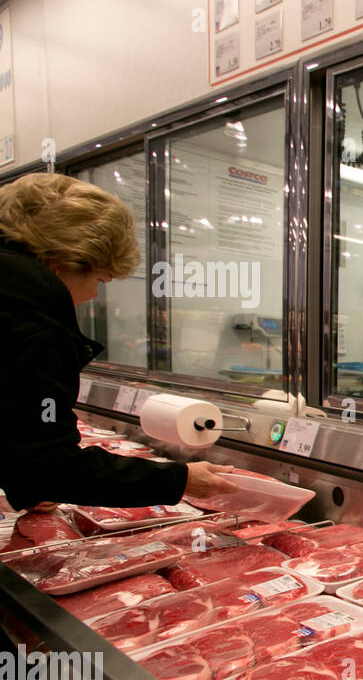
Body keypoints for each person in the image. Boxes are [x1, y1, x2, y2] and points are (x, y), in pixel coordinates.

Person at [0, 173, 236, 511]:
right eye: (99, 278)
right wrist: (180, 480)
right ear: (61, 262)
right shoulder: (32, 322)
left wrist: (30, 482)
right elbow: (47, 466)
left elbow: (25, 450)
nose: (95, 294)